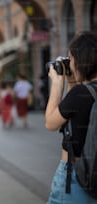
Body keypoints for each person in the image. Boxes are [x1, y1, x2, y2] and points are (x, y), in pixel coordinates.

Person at [45, 32, 97, 203]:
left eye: (71, 58)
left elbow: (51, 123)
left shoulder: (80, 94)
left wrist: (57, 84)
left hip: (75, 176)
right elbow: (72, 115)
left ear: (80, 60)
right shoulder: (82, 93)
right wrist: (72, 82)